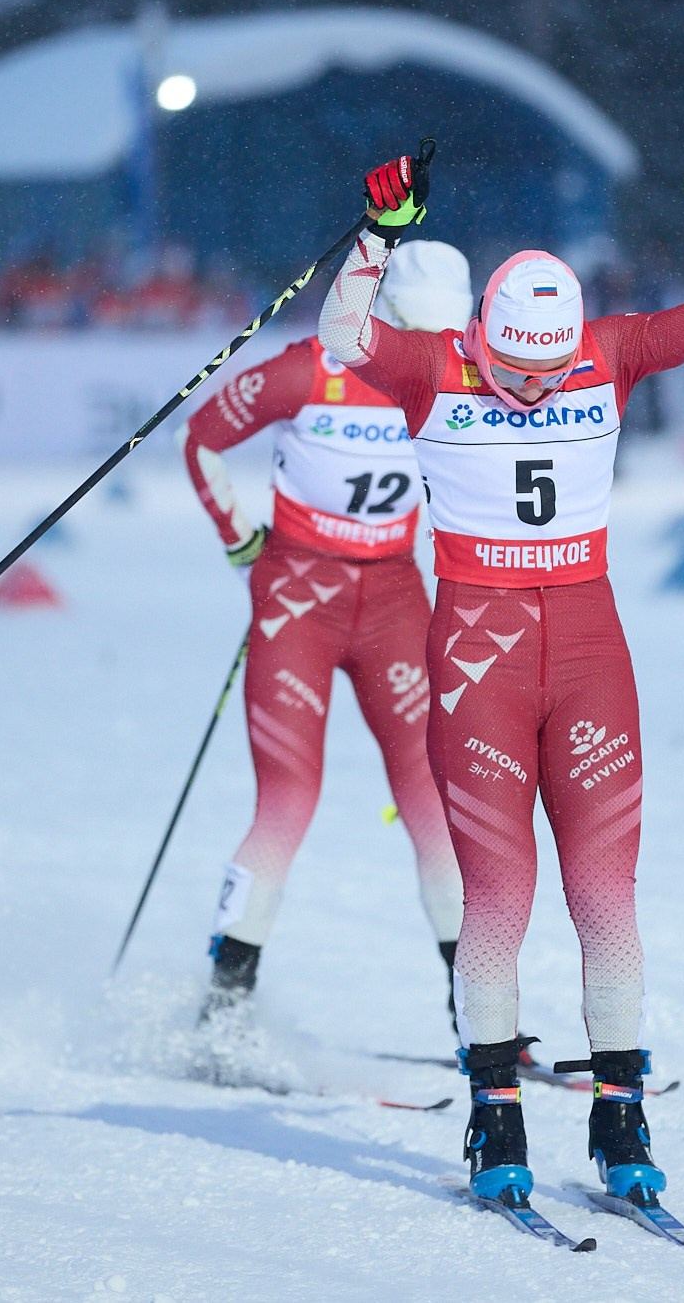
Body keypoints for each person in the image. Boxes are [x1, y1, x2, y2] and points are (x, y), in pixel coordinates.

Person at [316, 144, 684, 1216]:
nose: (533, 390)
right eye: (517, 372)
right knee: (498, 896)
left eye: (550, 374)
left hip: (592, 650)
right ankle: (495, 1112)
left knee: (607, 895)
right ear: (482, 340)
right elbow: (339, 336)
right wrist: (376, 238)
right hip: (478, 659)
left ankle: (620, 1116)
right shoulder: (431, 365)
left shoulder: (600, 350)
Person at [179, 240, 475, 1023]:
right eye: (422, 330)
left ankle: (480, 1018)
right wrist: (242, 540)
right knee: (288, 800)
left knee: (434, 800)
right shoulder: (306, 368)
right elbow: (200, 435)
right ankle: (225, 1011)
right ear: (381, 315)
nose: (438, 351)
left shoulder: (465, 378)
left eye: (453, 333)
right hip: (298, 600)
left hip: (395, 603)